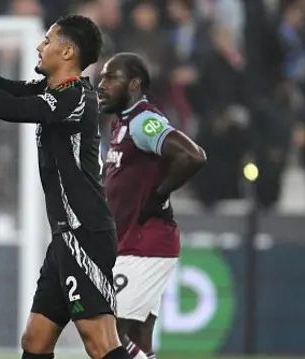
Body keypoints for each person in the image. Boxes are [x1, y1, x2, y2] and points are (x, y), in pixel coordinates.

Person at [0, 13, 129, 359]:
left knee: (99, 342)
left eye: (48, 40)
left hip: (85, 233)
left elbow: (7, 108)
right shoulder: (56, 91)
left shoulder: (76, 99)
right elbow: (10, 90)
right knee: (35, 341)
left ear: (68, 53)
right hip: (65, 236)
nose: (40, 46)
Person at [98, 52, 207, 359]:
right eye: (102, 77)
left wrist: (158, 196)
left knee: (105, 328)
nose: (101, 85)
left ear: (134, 84)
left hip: (145, 245)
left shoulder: (143, 121)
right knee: (138, 337)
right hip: (132, 243)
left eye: (111, 78)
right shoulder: (122, 121)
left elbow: (193, 155)